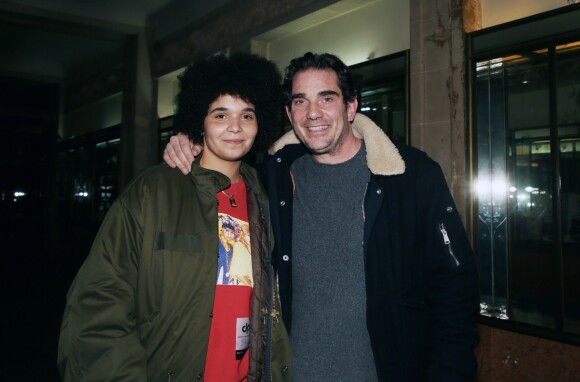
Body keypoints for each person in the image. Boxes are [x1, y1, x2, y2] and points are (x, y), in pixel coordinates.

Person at [164, 52, 480, 381]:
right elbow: (222, 170)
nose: (313, 113)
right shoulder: (273, 178)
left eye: (326, 98)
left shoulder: (409, 176)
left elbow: (455, 291)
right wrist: (191, 142)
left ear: (351, 106)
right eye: (300, 102)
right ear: (288, 113)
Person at [57, 53, 291, 382]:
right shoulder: (153, 192)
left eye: (247, 115)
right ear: (200, 120)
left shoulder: (266, 197)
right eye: (220, 114)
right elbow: (98, 306)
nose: (235, 127)